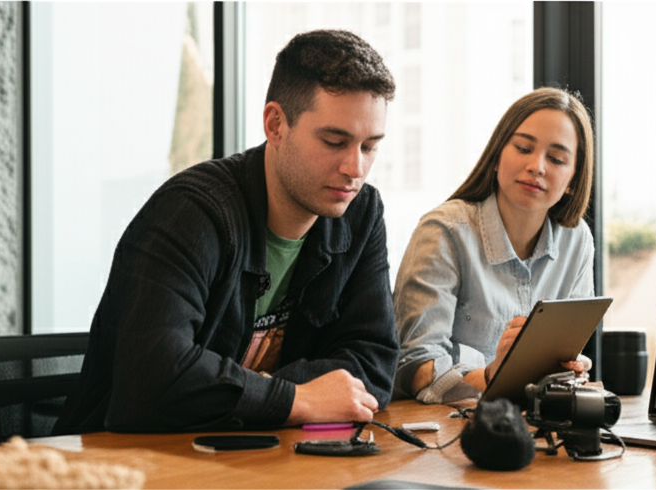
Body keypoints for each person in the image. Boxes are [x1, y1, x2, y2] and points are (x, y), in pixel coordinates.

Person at [55, 29, 399, 434]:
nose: (355, 169)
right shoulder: (191, 212)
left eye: (369, 146)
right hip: (124, 464)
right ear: (276, 124)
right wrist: (297, 398)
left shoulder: (361, 215)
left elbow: (375, 364)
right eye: (335, 141)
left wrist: (260, 393)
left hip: (253, 457)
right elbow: (151, 379)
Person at [393, 87, 595, 404]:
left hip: (529, 426)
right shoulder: (444, 232)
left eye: (556, 159)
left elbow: (561, 352)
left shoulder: (577, 239)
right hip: (443, 432)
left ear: (572, 180)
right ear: (497, 155)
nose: (538, 166)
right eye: (524, 148)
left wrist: (566, 369)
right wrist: (492, 375)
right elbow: (415, 366)